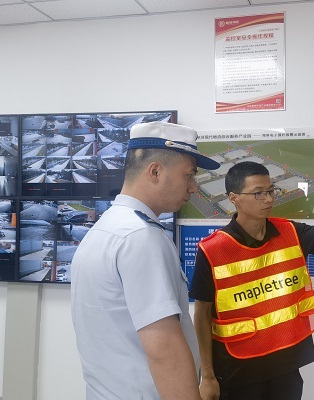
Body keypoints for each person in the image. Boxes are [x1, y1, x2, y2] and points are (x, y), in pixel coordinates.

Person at [190, 154, 314, 400]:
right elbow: (201, 315)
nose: (269, 199)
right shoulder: (213, 250)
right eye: (258, 193)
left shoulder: (291, 232)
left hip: (285, 368)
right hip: (236, 372)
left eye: (271, 191)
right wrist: (207, 376)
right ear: (234, 199)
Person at [71, 121, 220, 400]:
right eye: (189, 175)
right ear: (155, 172)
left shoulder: (106, 229)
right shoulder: (141, 237)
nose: (193, 187)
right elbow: (164, 350)